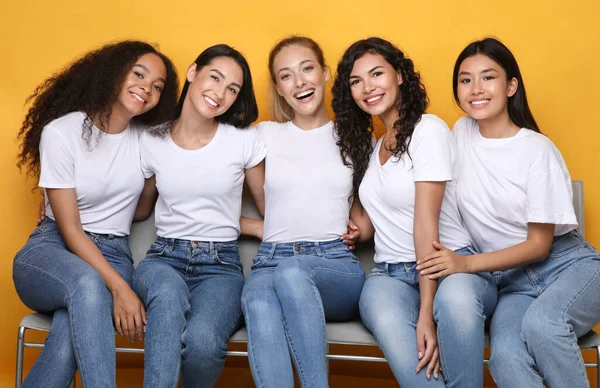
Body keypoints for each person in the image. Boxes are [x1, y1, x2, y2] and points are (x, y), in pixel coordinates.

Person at [417, 37, 600, 388]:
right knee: (505, 358)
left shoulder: (537, 149)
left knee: (543, 325)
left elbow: (539, 246)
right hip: (513, 284)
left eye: (488, 77)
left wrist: (465, 263)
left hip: (568, 267)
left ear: (511, 85)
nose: (476, 89)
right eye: (465, 80)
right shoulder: (459, 133)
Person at [13, 40, 178, 388]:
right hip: (52, 248)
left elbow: (142, 209)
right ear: (114, 72)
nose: (147, 88)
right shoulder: (62, 132)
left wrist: (155, 172)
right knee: (89, 286)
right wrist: (121, 288)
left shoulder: (146, 138)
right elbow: (71, 230)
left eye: (158, 86)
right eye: (139, 74)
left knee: (67, 338)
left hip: (113, 252)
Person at [332, 37, 490, 387]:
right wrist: (356, 230)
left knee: (456, 302)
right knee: (384, 313)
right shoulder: (376, 147)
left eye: (376, 74)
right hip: (388, 275)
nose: (367, 87)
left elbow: (424, 224)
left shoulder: (428, 130)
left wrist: (426, 312)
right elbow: (374, 224)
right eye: (356, 82)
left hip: (449, 268)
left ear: (400, 75)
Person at [131, 44, 265, 388]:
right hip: (163, 258)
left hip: (220, 266)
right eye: (215, 78)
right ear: (193, 72)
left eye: (232, 89)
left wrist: (247, 226)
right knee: (168, 297)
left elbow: (271, 210)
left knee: (204, 344)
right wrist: (63, 205)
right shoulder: (151, 140)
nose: (220, 94)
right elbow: (141, 207)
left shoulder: (244, 141)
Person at [240, 36, 365, 388]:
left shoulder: (355, 135)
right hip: (270, 260)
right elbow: (203, 189)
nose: (300, 82)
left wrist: (361, 231)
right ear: (279, 89)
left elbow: (369, 212)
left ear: (325, 73)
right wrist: (252, 226)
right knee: (259, 301)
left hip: (334, 264)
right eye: (286, 76)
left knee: (294, 272)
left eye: (307, 69)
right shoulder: (262, 136)